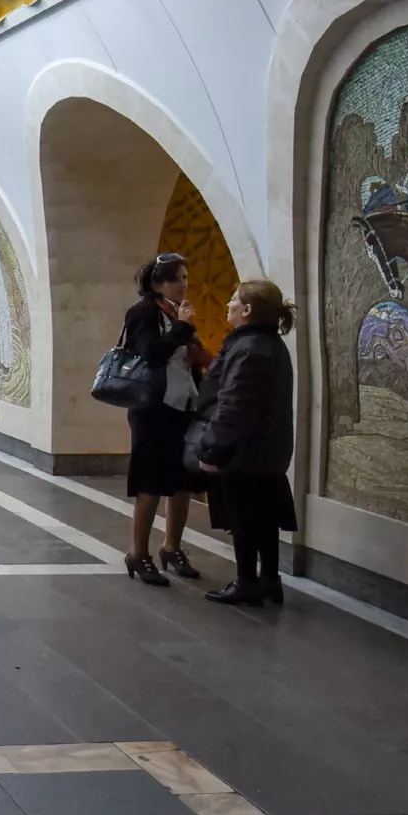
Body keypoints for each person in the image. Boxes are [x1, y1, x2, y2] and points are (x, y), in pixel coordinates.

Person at [195, 280, 298, 608]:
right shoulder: (267, 344)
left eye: (234, 300)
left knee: (244, 519)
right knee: (266, 517)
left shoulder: (250, 348)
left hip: (247, 450)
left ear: (248, 310)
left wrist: (213, 446)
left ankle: (247, 582)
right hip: (267, 448)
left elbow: (235, 403)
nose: (227, 305)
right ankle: (269, 580)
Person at [119, 254, 211, 586]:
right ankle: (137, 552)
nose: (184, 284)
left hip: (183, 406)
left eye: (186, 278)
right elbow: (151, 354)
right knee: (151, 483)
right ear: (158, 282)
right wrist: (184, 328)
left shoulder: (175, 313)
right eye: (177, 278)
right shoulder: (144, 312)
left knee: (182, 481)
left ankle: (172, 547)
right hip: (153, 410)